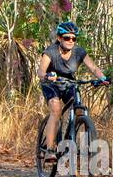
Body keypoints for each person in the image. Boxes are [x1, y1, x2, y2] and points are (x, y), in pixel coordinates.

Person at [38, 21, 107, 161]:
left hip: (69, 83)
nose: (71, 41)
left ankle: (70, 138)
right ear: (59, 38)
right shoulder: (50, 51)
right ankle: (50, 149)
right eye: (67, 38)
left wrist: (103, 78)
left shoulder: (79, 52)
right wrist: (47, 76)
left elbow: (93, 68)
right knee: (56, 110)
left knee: (79, 110)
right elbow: (40, 71)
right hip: (51, 84)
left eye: (73, 38)